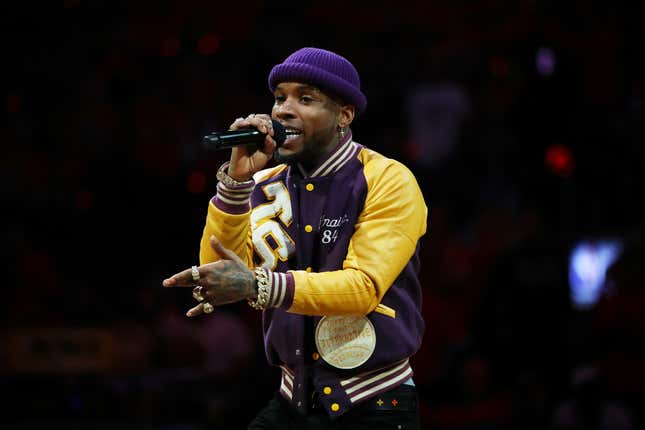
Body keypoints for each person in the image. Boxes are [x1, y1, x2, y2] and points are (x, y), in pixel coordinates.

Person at [163, 47, 428, 429]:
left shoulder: (387, 179)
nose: (283, 110)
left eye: (305, 98)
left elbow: (363, 287)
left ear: (344, 115)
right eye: (279, 97)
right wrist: (235, 184)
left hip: (375, 401)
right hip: (293, 398)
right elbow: (217, 273)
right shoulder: (261, 184)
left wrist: (258, 284)